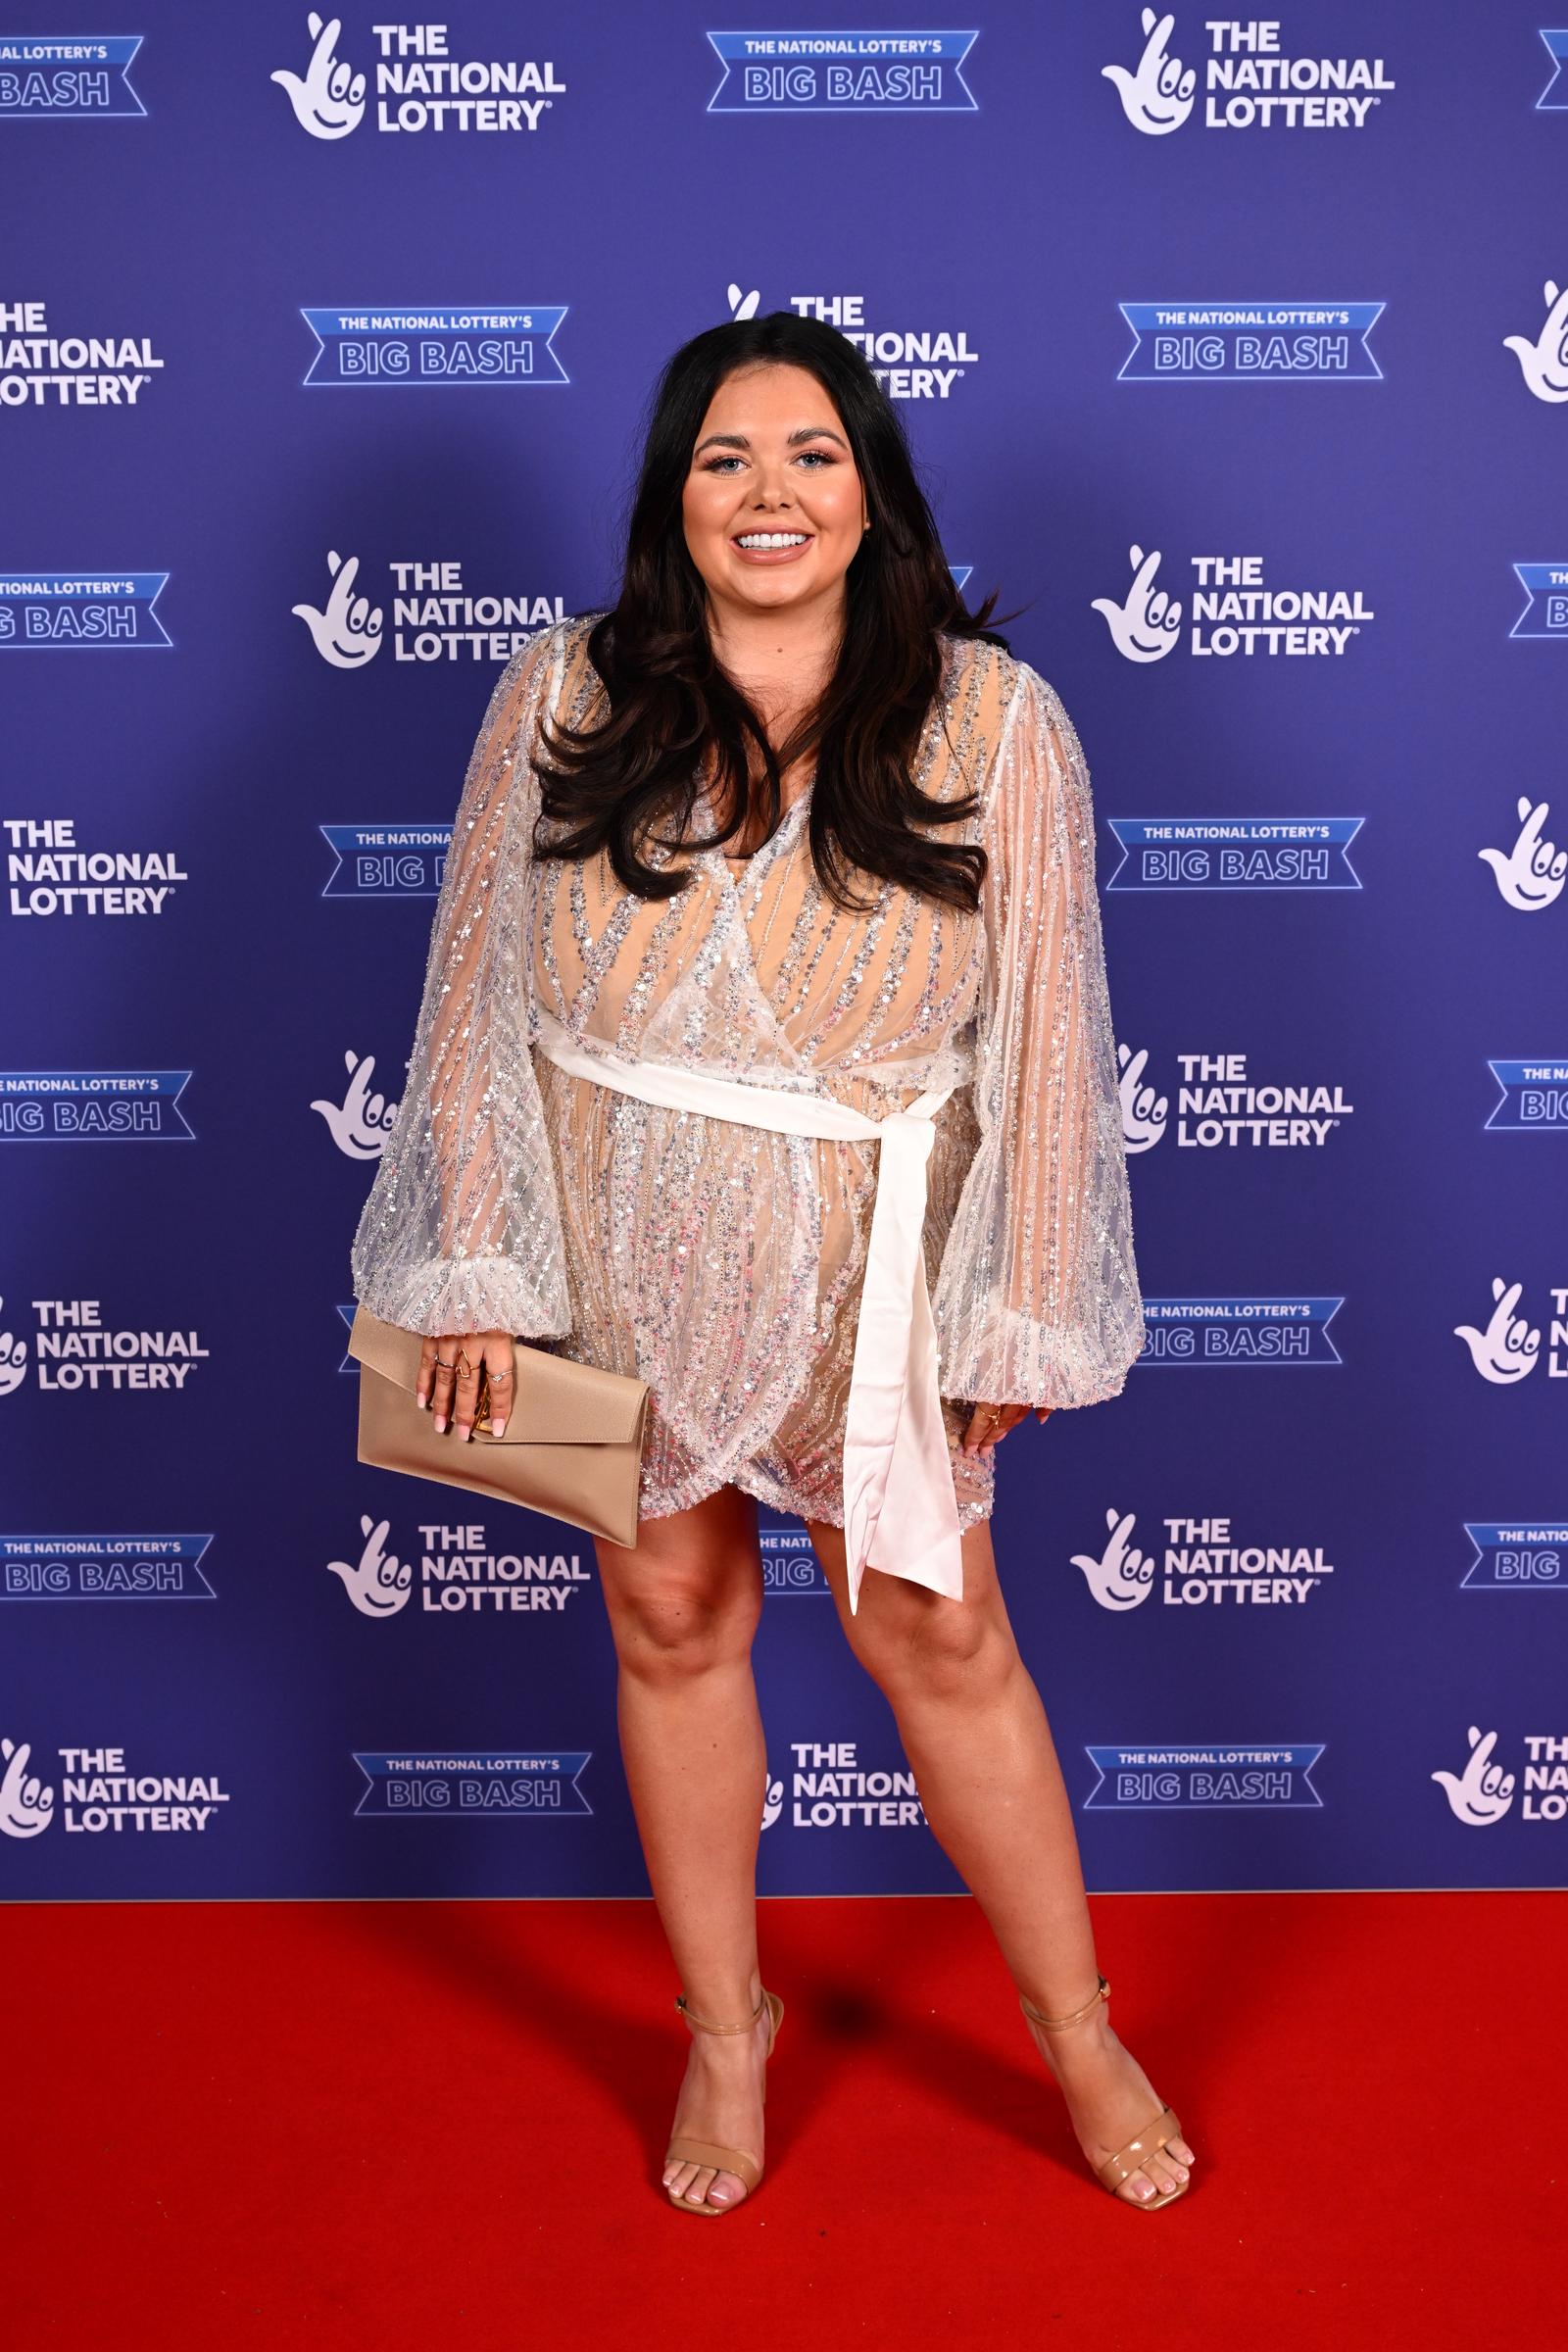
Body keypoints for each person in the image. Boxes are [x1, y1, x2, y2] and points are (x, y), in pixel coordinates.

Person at [350, 310, 1195, 2218]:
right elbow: (474, 997)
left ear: (872, 490)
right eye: (723, 458)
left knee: (942, 1635)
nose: (767, 494)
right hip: (603, 1247)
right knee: (667, 1625)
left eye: (809, 454)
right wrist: (470, 1270)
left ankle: (1074, 2028)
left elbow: (1046, 1042)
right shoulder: (554, 694)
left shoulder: (990, 720)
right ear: (670, 494)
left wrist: (1021, 1296)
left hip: (868, 1271)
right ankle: (725, 2033)